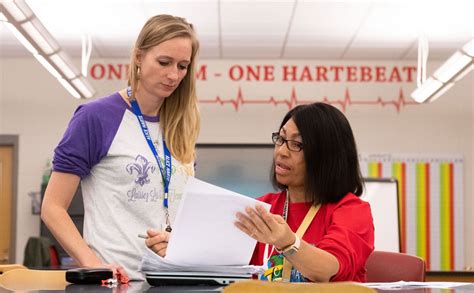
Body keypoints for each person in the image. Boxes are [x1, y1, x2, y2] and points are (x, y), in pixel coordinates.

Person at [41, 14, 200, 281]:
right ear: (139, 57)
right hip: (118, 282)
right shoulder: (96, 117)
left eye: (183, 66)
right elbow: (52, 207)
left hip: (174, 279)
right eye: (164, 62)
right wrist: (93, 264)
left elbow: (180, 209)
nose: (174, 75)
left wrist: (178, 241)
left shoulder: (182, 126)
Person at [235, 102, 374, 283]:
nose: (281, 151)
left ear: (326, 156)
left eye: (297, 144)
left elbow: (327, 270)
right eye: (281, 139)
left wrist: (287, 242)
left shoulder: (352, 210)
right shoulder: (261, 207)